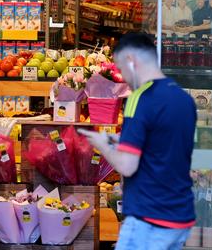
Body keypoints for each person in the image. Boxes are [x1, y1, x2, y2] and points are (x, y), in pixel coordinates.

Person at [78, 32, 196, 250]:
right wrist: (123, 140)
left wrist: (102, 143)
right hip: (180, 216)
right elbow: (165, 145)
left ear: (131, 61)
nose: (123, 77)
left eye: (121, 69)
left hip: (149, 217)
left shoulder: (140, 98)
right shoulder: (183, 98)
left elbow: (127, 166)